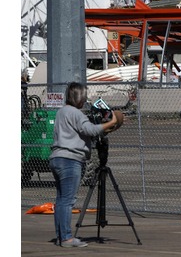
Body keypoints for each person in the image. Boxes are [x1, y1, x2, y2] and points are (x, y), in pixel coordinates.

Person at [49, 82, 124, 247]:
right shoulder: (76, 114)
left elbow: (87, 132)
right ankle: (67, 238)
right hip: (70, 159)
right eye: (83, 98)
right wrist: (112, 121)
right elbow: (90, 130)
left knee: (61, 200)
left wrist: (108, 127)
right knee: (68, 201)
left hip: (57, 158)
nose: (84, 101)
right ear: (79, 99)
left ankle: (61, 236)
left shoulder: (61, 112)